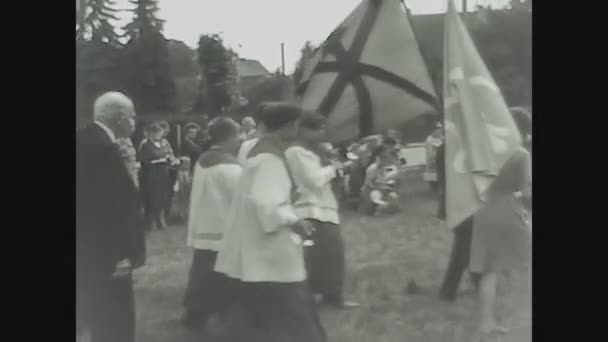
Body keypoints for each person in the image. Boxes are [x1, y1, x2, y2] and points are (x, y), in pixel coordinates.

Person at [213, 102, 327, 342]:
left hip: (256, 243)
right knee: (288, 306)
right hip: (268, 244)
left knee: (256, 302)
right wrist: (296, 222)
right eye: (296, 125)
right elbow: (268, 203)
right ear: (289, 126)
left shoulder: (263, 151)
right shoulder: (270, 158)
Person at [76, 92, 146, 342]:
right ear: (118, 118)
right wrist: (121, 254)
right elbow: (111, 207)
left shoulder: (84, 139)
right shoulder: (103, 149)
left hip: (89, 249)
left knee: (97, 315)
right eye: (131, 116)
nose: (134, 121)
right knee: (115, 321)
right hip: (107, 253)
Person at [285, 112, 360, 309]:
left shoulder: (315, 150)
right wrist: (332, 168)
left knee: (333, 255)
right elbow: (313, 180)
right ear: (303, 129)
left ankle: (332, 296)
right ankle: (310, 297)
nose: (321, 133)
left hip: (324, 207)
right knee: (314, 257)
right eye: (317, 128)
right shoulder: (296, 151)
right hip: (309, 209)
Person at [470, 108, 532, 338]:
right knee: (526, 262)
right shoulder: (520, 154)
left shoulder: (486, 151)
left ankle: (486, 323)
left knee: (489, 269)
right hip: (509, 210)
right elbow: (526, 192)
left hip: (483, 209)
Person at [183, 117, 243, 332]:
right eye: (238, 135)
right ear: (230, 137)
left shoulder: (204, 159)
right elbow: (241, 197)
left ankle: (195, 314)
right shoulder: (229, 165)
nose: (240, 139)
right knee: (223, 275)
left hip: (204, 224)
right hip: (223, 226)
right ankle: (226, 315)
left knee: (201, 273)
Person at [139, 123, 171, 230]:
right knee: (152, 197)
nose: (160, 135)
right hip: (151, 174)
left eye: (160, 133)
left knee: (162, 196)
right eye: (158, 133)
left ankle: (160, 220)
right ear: (152, 134)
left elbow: (166, 155)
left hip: (162, 173)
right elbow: (143, 161)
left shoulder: (162, 144)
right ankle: (150, 222)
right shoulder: (146, 145)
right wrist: (157, 160)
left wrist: (168, 159)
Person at [359, 145, 401, 216]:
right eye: (384, 157)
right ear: (378, 158)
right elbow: (370, 184)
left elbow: (393, 183)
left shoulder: (388, 168)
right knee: (376, 195)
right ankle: (376, 208)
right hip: (371, 191)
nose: (387, 159)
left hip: (384, 191)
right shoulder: (372, 168)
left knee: (393, 197)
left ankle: (386, 207)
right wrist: (382, 187)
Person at [171, 156, 193, 222]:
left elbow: (189, 180)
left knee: (186, 201)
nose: (188, 165)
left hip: (187, 189)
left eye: (189, 164)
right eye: (186, 163)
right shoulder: (179, 173)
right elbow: (178, 182)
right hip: (180, 189)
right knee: (180, 201)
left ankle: (185, 214)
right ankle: (180, 215)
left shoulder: (188, 173)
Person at [424, 124, 443, 194]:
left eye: (441, 130)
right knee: (432, 177)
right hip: (432, 161)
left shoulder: (441, 138)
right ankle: (434, 191)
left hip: (439, 161)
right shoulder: (429, 140)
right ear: (434, 131)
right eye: (438, 130)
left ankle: (438, 190)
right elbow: (430, 153)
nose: (440, 132)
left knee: (439, 177)